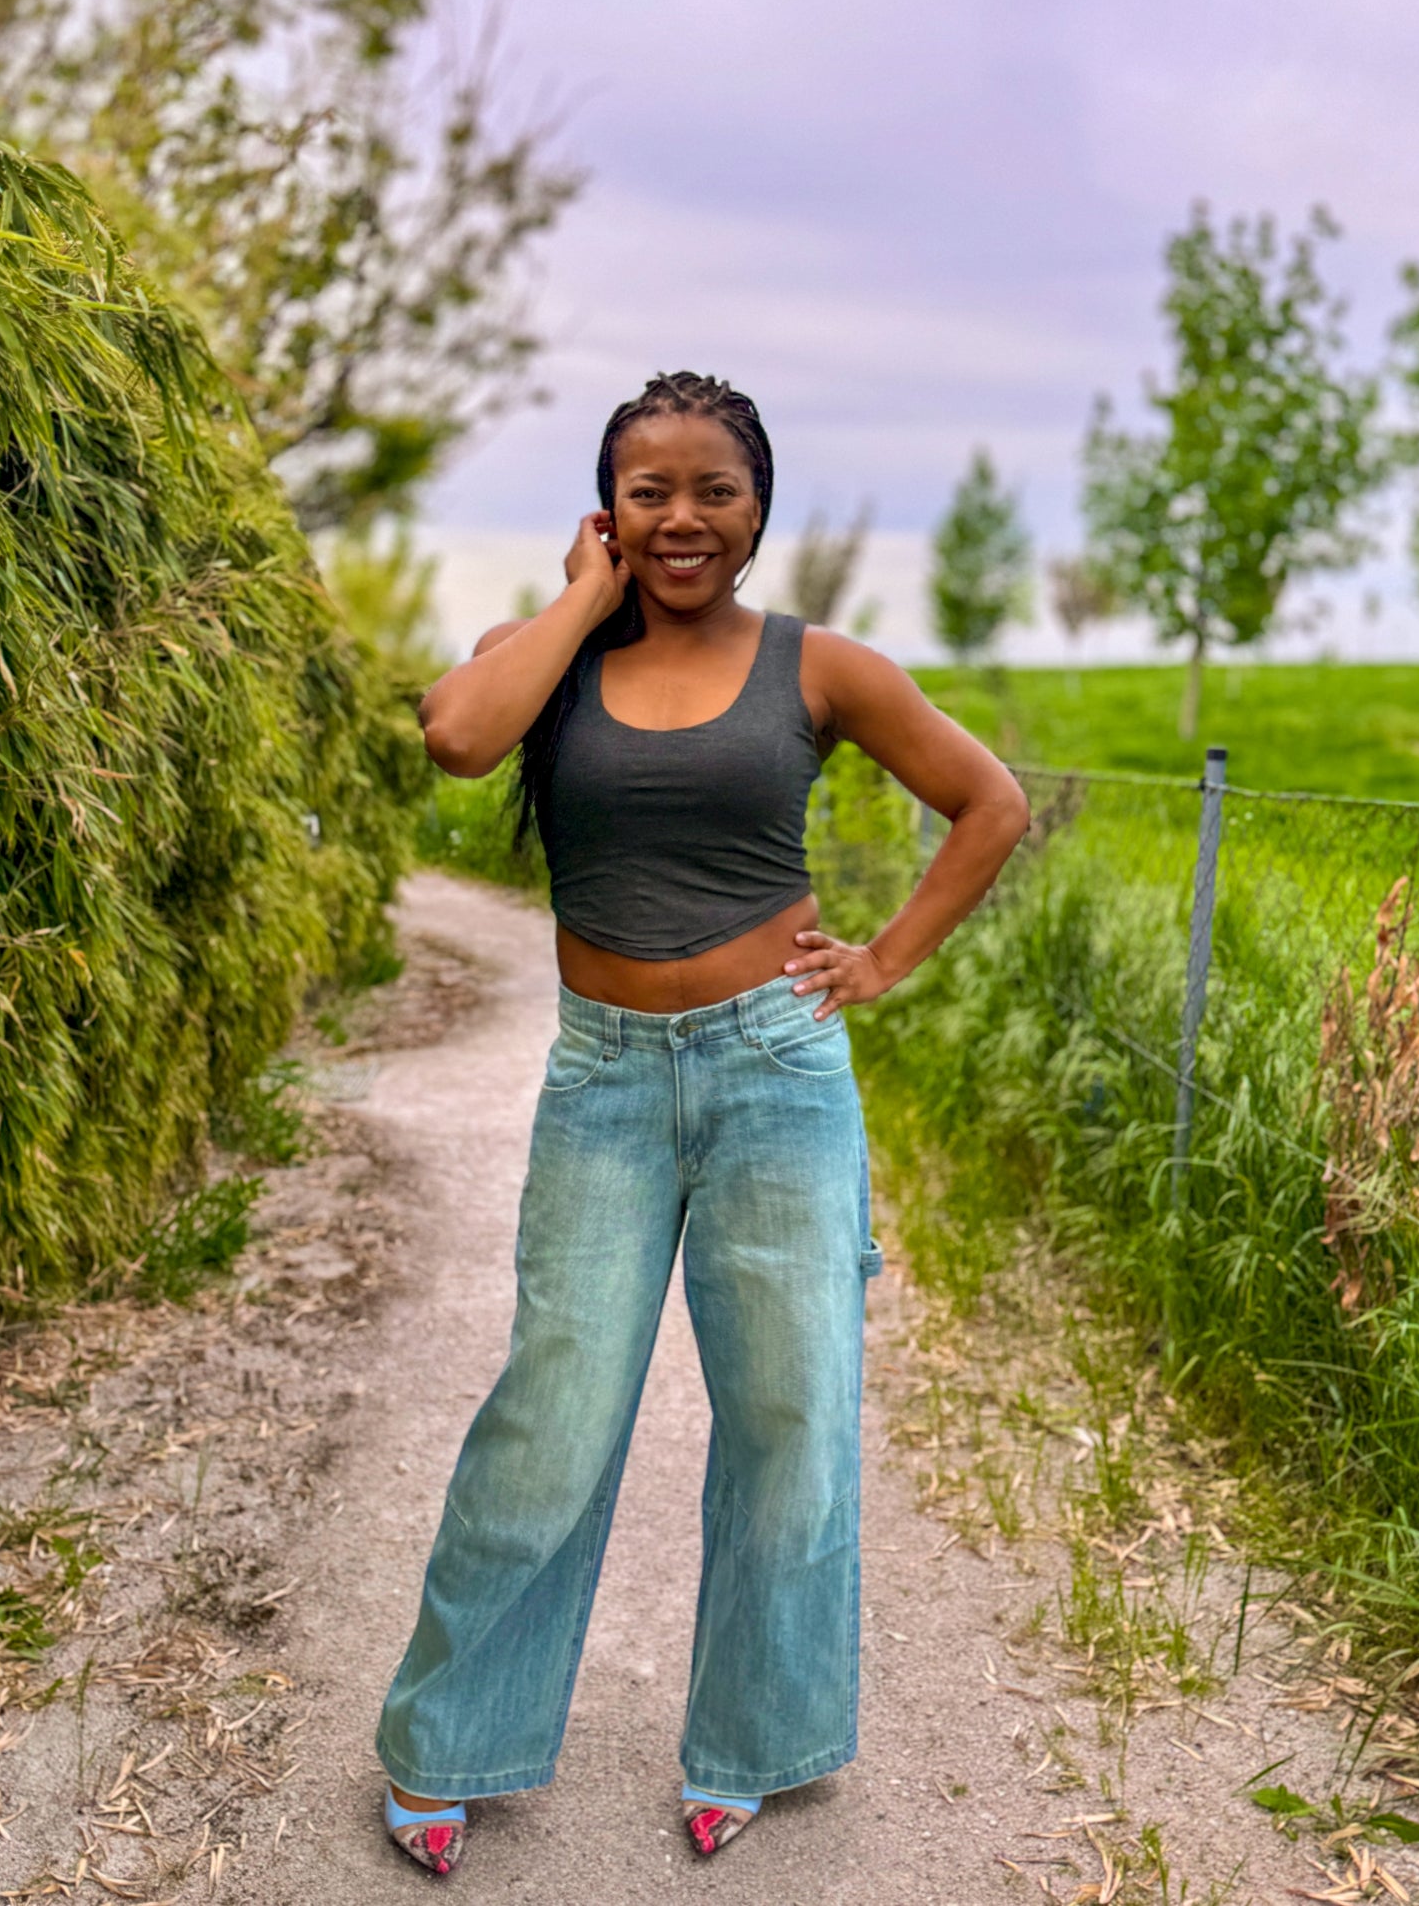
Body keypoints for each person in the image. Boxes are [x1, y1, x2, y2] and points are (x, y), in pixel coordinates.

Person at [376, 371, 1029, 1876]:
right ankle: (447, 1739)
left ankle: (750, 1739)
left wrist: (879, 961)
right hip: (602, 1080)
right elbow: (458, 740)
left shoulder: (820, 668)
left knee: (790, 1419)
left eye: (712, 489)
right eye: (648, 490)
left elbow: (985, 801)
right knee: (551, 1416)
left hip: (774, 1076)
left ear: (757, 508)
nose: (684, 516)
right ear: (607, 510)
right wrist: (582, 599)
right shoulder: (540, 661)